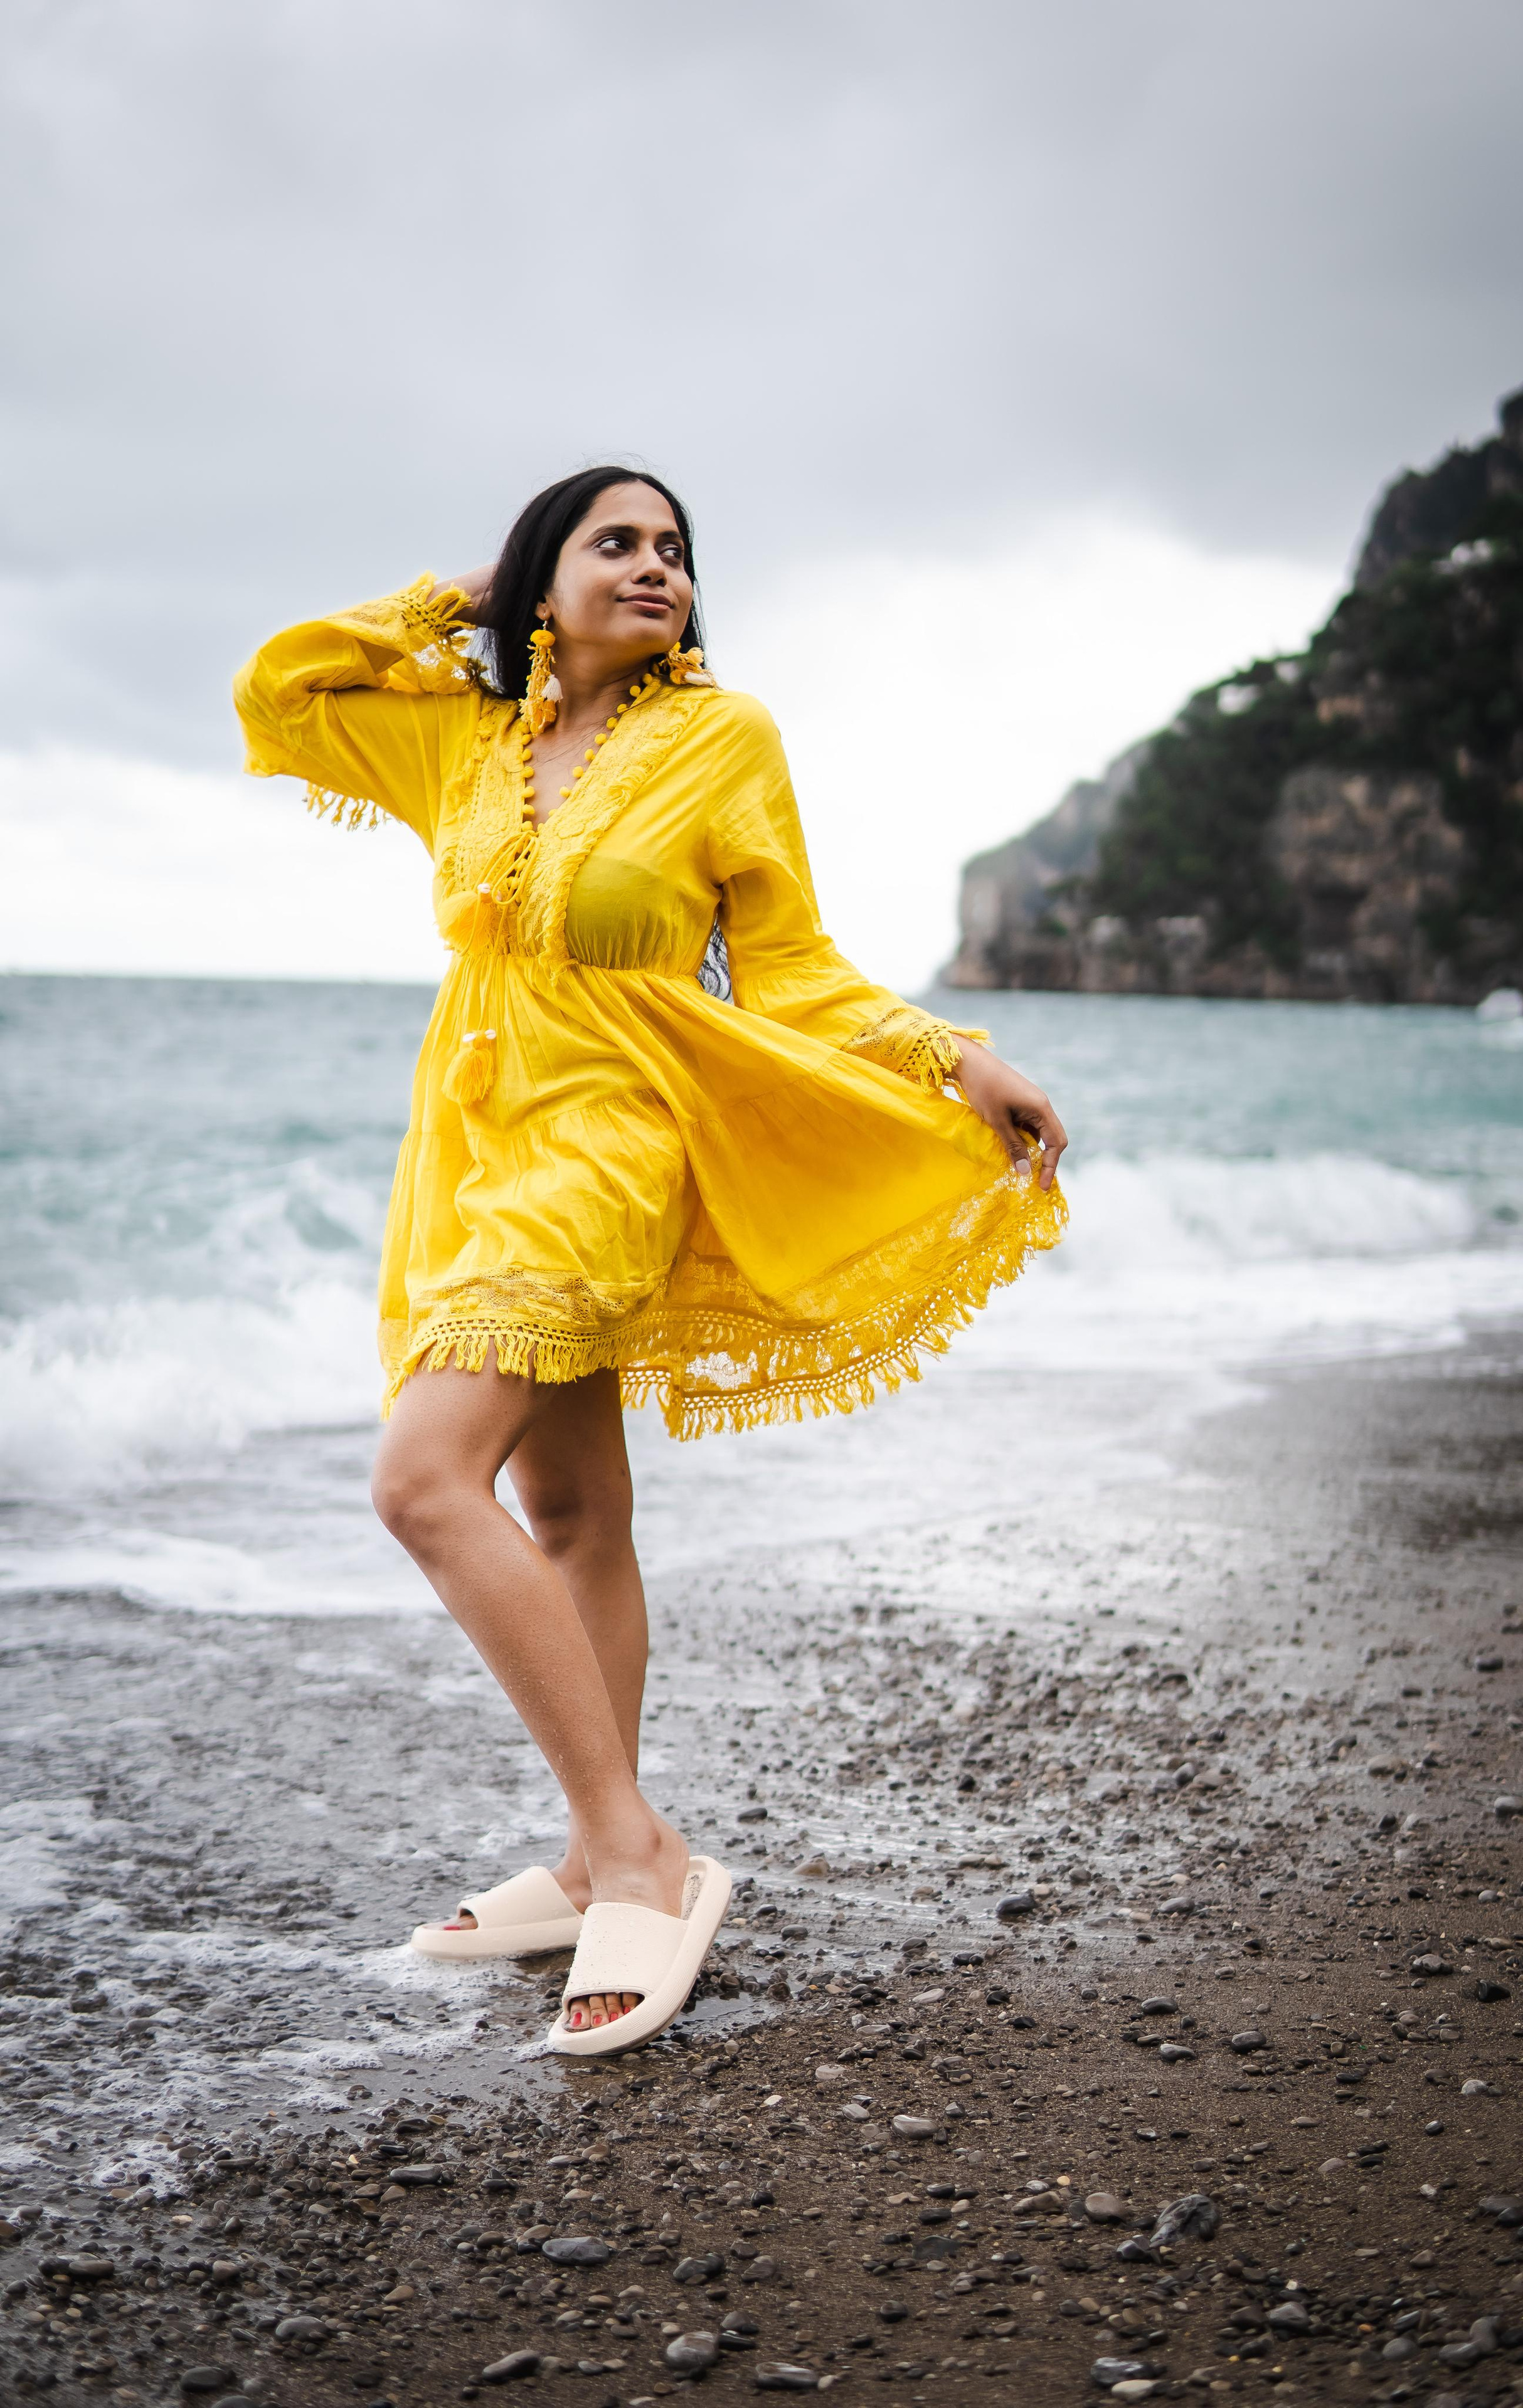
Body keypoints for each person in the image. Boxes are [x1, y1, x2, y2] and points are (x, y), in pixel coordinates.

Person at [233, 467, 1068, 2057]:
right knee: (569, 1510)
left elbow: (794, 965)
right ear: (542, 577)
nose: (657, 568)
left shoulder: (722, 740)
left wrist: (950, 1055)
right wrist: (459, 599)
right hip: (469, 1152)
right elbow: (277, 688)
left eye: (675, 550)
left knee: (421, 1484)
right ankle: (580, 1854)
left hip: (611, 1146)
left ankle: (641, 1853)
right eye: (615, 542)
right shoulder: (465, 742)